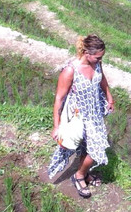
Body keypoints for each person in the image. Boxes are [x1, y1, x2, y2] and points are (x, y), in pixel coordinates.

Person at [48, 34, 114, 198]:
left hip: (95, 113)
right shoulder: (70, 71)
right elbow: (59, 98)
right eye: (97, 57)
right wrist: (56, 126)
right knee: (96, 149)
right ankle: (78, 176)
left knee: (88, 146)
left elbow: (102, 79)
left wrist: (109, 97)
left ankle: (83, 174)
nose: (100, 60)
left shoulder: (97, 64)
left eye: (101, 58)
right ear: (86, 52)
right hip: (78, 116)